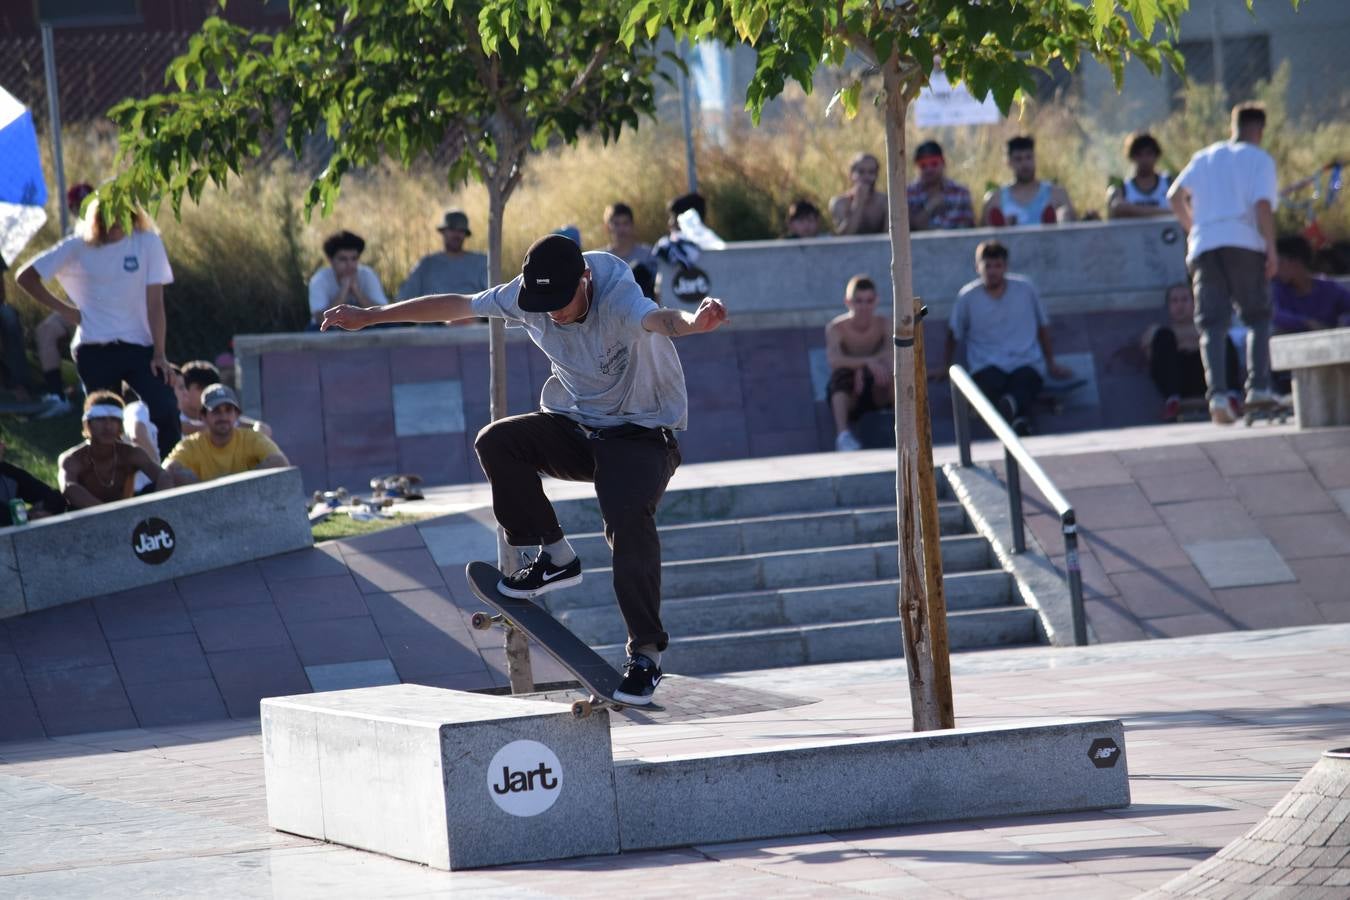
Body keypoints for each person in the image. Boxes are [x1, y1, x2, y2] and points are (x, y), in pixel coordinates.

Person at [321, 233, 730, 706]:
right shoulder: (527, 297)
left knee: (625, 516)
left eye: (562, 302)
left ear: (585, 279)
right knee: (497, 441)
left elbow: (661, 319)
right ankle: (555, 556)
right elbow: (457, 304)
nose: (553, 313)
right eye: (544, 305)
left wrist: (695, 324)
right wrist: (373, 316)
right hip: (576, 428)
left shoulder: (618, 295)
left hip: (641, 435)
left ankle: (646, 655)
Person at [17, 197, 182, 458]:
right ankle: (118, 486)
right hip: (94, 349)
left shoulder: (147, 242)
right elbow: (25, 276)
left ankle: (171, 470)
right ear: (95, 217)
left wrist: (160, 353)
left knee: (165, 407)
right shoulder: (78, 245)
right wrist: (67, 311)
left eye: (122, 215)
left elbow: (155, 304)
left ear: (134, 215)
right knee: (105, 422)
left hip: (139, 347)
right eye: (107, 216)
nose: (115, 222)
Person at [1167, 102, 1279, 424]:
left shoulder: (1205, 156)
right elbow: (1262, 206)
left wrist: (1194, 228)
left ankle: (1217, 395)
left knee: (1211, 324)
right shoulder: (1259, 159)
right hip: (1244, 241)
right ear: (1259, 130)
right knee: (1257, 316)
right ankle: (1258, 388)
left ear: (1235, 126)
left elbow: (1174, 196)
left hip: (1204, 245)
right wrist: (1271, 248)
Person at [934, 241, 1073, 436]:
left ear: (1005, 267)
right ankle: (1018, 419)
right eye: (987, 266)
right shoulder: (967, 297)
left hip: (1025, 361)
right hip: (986, 364)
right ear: (977, 267)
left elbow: (1043, 326)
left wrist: (1051, 363)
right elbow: (953, 333)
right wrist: (945, 365)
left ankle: (1012, 412)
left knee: (1025, 382)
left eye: (997, 266)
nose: (992, 272)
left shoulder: (1026, 289)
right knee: (990, 384)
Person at [31, 182, 95, 419]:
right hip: (75, 307)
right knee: (46, 329)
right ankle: (57, 395)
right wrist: (65, 309)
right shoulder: (72, 237)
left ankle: (92, 395)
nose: (85, 211)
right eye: (80, 206)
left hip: (101, 308)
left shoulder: (112, 233)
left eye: (89, 204)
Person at [1143, 283, 1241, 421]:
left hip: (1208, 377)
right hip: (1180, 381)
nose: (1180, 306)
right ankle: (1172, 400)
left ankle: (1231, 396)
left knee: (1220, 336)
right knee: (1162, 337)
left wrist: (1186, 341)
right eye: (1174, 301)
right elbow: (1149, 353)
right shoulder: (1160, 332)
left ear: (1195, 303)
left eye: (1184, 300)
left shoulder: (1207, 328)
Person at [58, 391, 172, 509]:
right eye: (101, 419)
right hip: (86, 520)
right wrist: (108, 513)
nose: (108, 426)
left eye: (114, 420)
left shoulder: (131, 453)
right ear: (88, 424)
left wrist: (158, 509)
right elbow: (68, 487)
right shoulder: (72, 459)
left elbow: (163, 476)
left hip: (126, 515)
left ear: (120, 425)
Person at [164, 384, 289, 485]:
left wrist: (241, 487)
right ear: (203, 417)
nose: (223, 416)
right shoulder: (191, 446)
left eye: (228, 410)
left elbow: (280, 462)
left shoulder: (252, 438)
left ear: (237, 415)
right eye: (216, 411)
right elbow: (167, 472)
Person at [825, 275, 893, 451]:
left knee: (896, 374)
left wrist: (867, 369)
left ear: (876, 301)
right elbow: (834, 361)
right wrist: (865, 363)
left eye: (869, 301)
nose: (864, 307)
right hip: (851, 391)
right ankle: (843, 435)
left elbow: (892, 354)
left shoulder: (884, 324)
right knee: (839, 379)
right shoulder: (836, 328)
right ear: (848, 302)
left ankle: (901, 426)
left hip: (878, 386)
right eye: (858, 301)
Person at [981, 136, 1076, 227]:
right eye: (1018, 159)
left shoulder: (1057, 194)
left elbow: (1075, 231)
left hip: (1049, 242)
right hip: (1009, 243)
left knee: (1063, 212)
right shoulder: (995, 199)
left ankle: (1051, 228)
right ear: (1008, 162)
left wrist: (1063, 218)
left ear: (1035, 158)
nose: (1024, 164)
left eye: (1028, 157)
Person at [396, 210, 489, 301]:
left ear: (465, 234)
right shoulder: (427, 264)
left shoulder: (481, 262)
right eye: (452, 229)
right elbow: (403, 298)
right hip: (433, 315)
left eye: (461, 230)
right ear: (443, 232)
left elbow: (492, 299)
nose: (456, 235)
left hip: (471, 315)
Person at [307, 230, 388, 330]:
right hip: (332, 329)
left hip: (364, 326)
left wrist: (357, 292)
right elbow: (319, 318)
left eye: (354, 259)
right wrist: (343, 291)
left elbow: (383, 314)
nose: (349, 265)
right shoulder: (319, 280)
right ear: (330, 260)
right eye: (343, 259)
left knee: (390, 327)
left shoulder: (367, 275)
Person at [1272, 234, 1350, 334]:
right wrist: (1308, 323)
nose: (1275, 269)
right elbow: (1273, 315)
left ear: (1296, 263)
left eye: (1279, 263)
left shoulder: (1329, 289)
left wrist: (1344, 324)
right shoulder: (1276, 290)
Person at [175, 359, 270, 437]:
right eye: (201, 388)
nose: (206, 394)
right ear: (185, 390)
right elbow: (184, 427)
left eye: (210, 390)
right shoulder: (174, 419)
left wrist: (258, 433)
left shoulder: (222, 419)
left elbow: (263, 428)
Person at [906, 140, 975, 231]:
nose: (929, 169)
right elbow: (911, 228)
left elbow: (968, 228)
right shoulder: (908, 194)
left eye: (934, 163)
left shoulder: (961, 193)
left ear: (943, 162)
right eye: (923, 165)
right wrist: (930, 207)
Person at [0, 440, 66, 525]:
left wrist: (37, 515)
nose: (2, 446)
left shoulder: (9, 473)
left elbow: (52, 496)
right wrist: (28, 517)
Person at [1107, 133, 1172, 219]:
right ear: (1132, 157)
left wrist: (1133, 211)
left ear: (1156, 156)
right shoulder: (1122, 188)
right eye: (1139, 155)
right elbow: (1118, 208)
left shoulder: (1169, 183)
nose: (1144, 159)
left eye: (1149, 153)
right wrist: (1168, 212)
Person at [829, 152, 888, 235]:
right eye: (861, 172)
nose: (866, 176)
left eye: (871, 172)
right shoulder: (839, 203)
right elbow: (844, 237)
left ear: (876, 175)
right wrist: (859, 202)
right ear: (851, 174)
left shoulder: (885, 202)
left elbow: (888, 237)